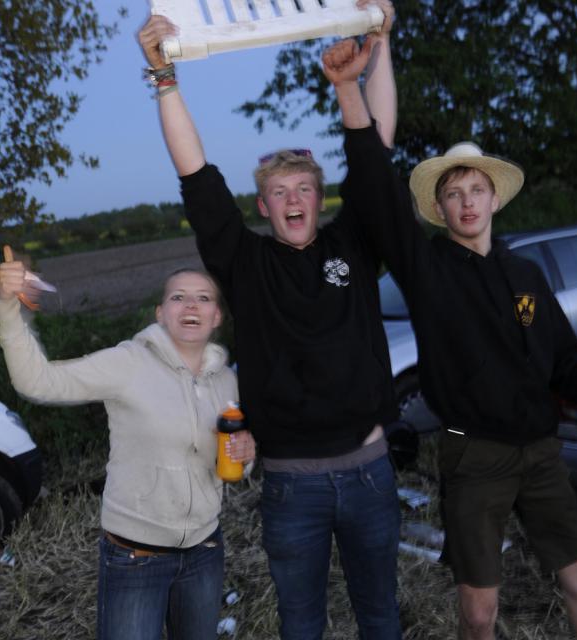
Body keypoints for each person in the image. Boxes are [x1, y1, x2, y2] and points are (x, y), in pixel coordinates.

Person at [320, 37, 577, 640]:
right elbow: (376, 182)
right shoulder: (427, 269)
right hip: (473, 455)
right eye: (453, 194)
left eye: (476, 190)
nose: (466, 202)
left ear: (493, 197)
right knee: (479, 611)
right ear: (440, 207)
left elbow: (565, 362)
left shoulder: (526, 273)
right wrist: (349, 89)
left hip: (541, 451)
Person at [138, 2, 403, 638]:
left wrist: (381, 42)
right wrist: (165, 77)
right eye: (279, 192)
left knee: (380, 617)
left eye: (303, 187)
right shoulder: (245, 261)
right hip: (290, 486)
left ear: (320, 197)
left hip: (369, 471)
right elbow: (195, 173)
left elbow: (377, 147)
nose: (293, 199)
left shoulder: (354, 242)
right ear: (264, 206)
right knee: (300, 623)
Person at [0, 260, 255, 640]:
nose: (191, 305)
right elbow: (39, 381)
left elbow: (227, 460)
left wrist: (245, 457)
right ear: (160, 314)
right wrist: (8, 306)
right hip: (136, 556)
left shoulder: (227, 380)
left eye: (203, 298)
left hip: (205, 551)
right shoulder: (128, 364)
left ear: (216, 317)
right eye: (178, 297)